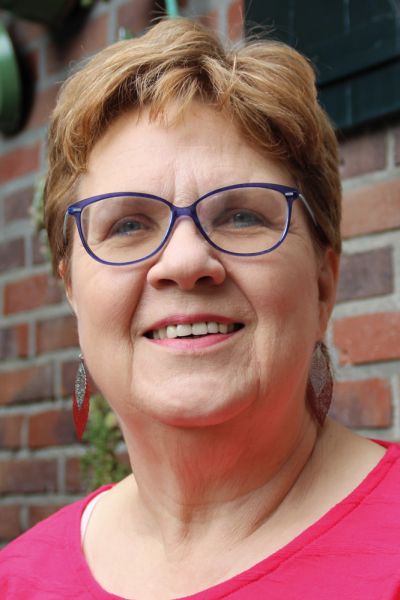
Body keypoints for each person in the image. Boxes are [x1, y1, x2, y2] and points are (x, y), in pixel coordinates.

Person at [1, 17, 400, 600]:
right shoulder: (14, 580)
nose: (186, 260)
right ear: (73, 292)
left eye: (242, 216)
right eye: (129, 225)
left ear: (323, 284)